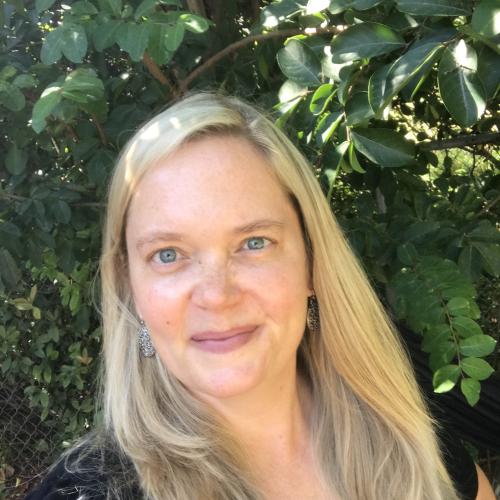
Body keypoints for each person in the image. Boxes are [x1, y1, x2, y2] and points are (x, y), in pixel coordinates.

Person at [26, 93, 495, 499]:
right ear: (130, 288)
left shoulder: (411, 442)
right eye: (168, 254)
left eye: (254, 243)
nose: (217, 295)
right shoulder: (84, 492)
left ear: (312, 261)